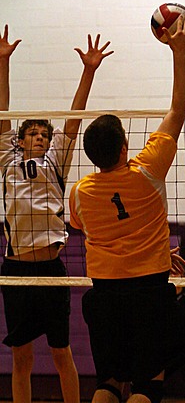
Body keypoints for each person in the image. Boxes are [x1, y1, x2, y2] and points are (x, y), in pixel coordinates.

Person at [69, 15, 185, 403]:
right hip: (149, 293)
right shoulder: (147, 171)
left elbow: (88, 228)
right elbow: (178, 112)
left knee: (107, 383)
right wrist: (179, 53)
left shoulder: (80, 192)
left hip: (104, 296)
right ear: (125, 148)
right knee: (145, 384)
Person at [0, 24, 113, 403]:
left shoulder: (55, 163)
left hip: (50, 270)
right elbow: (2, 112)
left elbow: (73, 119)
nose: (41, 139)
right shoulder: (6, 160)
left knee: (62, 353)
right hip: (16, 270)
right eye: (33, 134)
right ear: (20, 139)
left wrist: (89, 71)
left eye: (45, 137)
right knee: (21, 357)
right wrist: (3, 63)